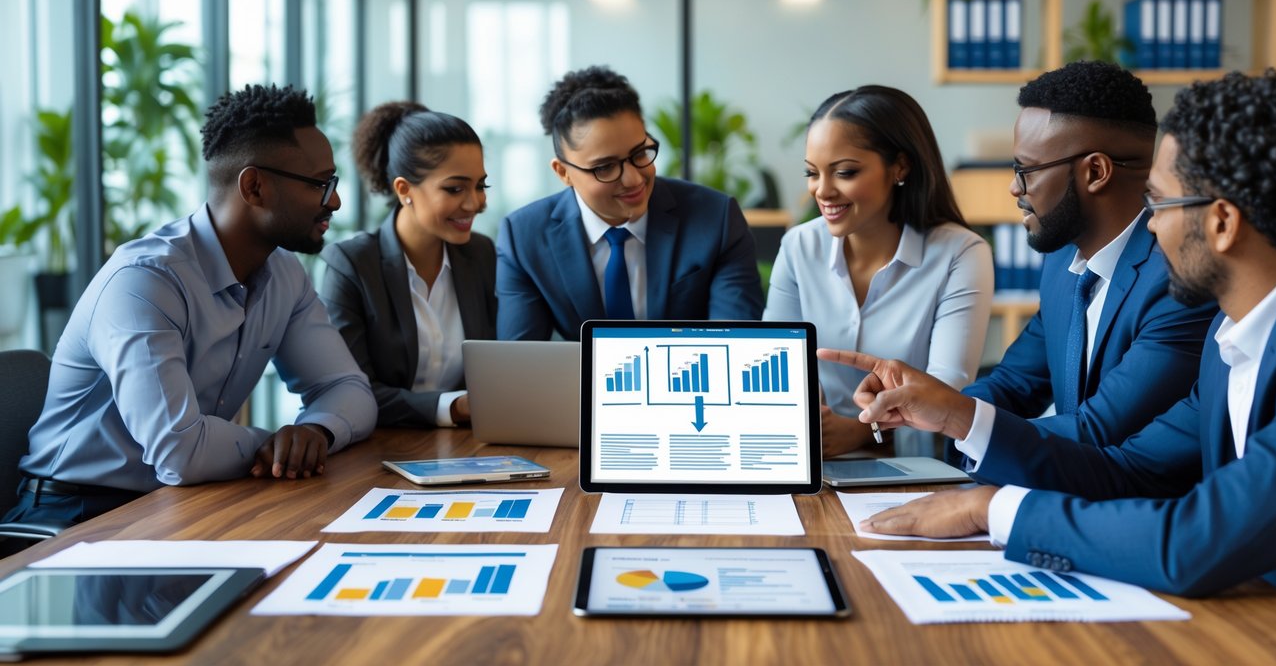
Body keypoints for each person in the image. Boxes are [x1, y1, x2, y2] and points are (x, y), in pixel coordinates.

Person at [822, 70, 1276, 618]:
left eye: (1158, 204)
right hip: (1257, 615)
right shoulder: (1228, 337)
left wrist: (995, 510)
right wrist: (954, 425)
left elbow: (1193, 538)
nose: (1151, 229)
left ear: (1223, 222)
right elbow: (1129, 470)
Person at [4, 84, 376, 526]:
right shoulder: (144, 282)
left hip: (177, 501)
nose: (334, 200)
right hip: (76, 514)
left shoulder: (283, 274)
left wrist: (314, 432)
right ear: (254, 187)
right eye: (320, 183)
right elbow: (179, 451)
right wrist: (275, 443)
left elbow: (349, 391)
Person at [961, 61, 1215, 447]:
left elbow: (1096, 433)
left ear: (1096, 171)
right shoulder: (1063, 261)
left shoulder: (1179, 280)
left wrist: (957, 422)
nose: (1014, 188)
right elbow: (1013, 383)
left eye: (1025, 170)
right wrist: (929, 409)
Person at [762, 85, 992, 458]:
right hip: (811, 461)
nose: (822, 191)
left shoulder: (961, 254)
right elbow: (775, 368)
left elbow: (948, 397)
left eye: (845, 172)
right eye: (812, 173)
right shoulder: (798, 246)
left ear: (899, 166)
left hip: (917, 468)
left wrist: (862, 432)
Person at [497, 65, 764, 341]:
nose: (634, 178)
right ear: (563, 172)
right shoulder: (524, 237)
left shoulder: (715, 217)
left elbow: (737, 343)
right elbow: (520, 361)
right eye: (606, 167)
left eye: (640, 153)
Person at [320, 102, 496, 428]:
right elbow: (350, 392)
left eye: (480, 185)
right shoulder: (352, 265)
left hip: (469, 448)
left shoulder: (481, 255)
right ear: (404, 190)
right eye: (455, 188)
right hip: (377, 452)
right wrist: (454, 407)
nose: (475, 203)